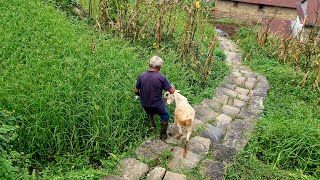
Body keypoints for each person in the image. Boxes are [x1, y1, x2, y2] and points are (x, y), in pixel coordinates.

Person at [134, 56, 175, 140]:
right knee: (165, 115)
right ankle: (163, 134)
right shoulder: (161, 77)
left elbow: (135, 91)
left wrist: (140, 95)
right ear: (159, 68)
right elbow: (171, 91)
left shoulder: (141, 75)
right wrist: (172, 86)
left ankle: (151, 124)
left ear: (149, 65)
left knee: (149, 110)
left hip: (144, 103)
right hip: (157, 105)